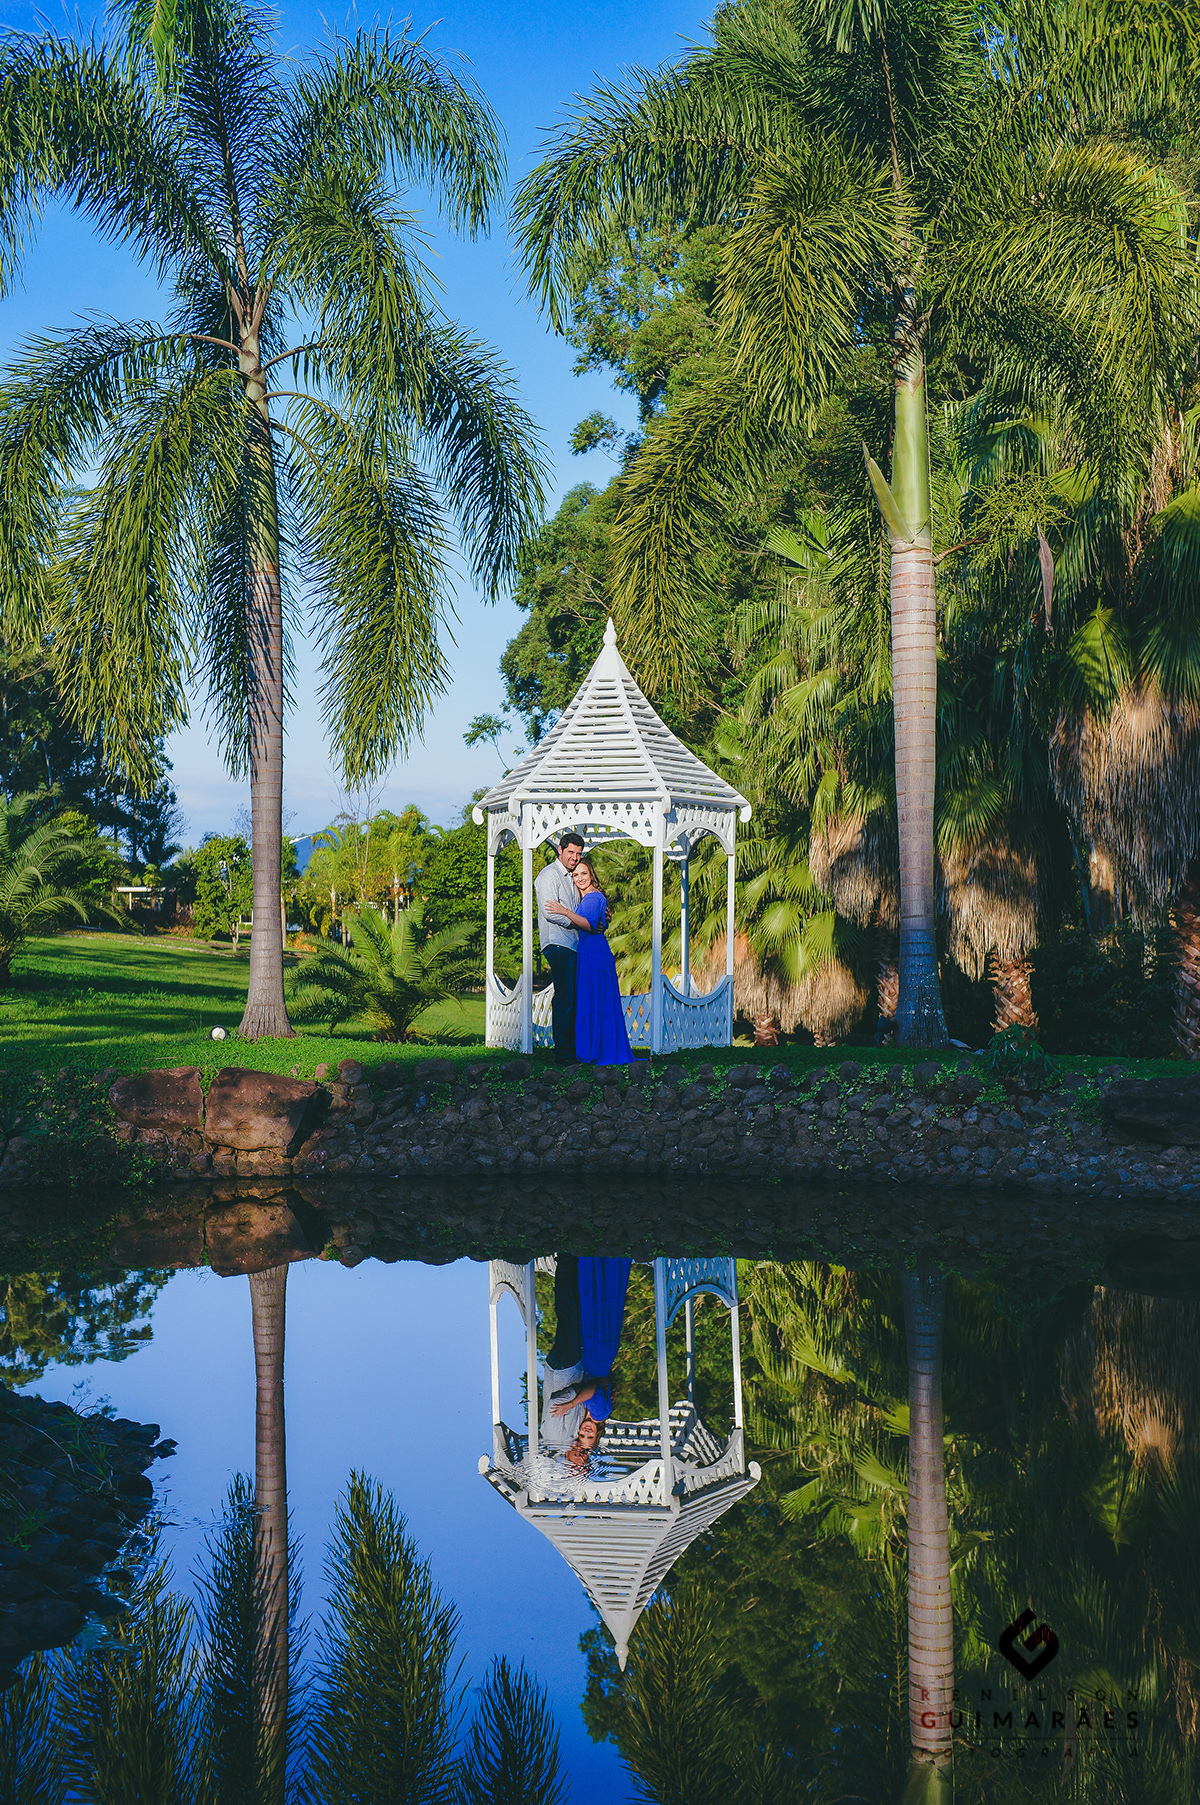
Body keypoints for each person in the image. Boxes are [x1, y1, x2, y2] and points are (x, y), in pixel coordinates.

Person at [544, 855, 634, 1067]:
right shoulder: (587, 899)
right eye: (575, 875)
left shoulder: (594, 897)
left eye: (584, 873)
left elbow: (589, 924)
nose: (579, 878)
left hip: (594, 952)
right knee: (592, 1001)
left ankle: (596, 1050)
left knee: (595, 1001)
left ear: (591, 874)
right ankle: (596, 1047)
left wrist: (563, 911)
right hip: (588, 951)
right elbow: (596, 922)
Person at [540, 1253, 632, 1460]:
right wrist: (571, 1403)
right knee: (579, 1310)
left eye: (581, 1435)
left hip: (567, 1367)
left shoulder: (558, 1436)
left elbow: (557, 1401)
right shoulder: (599, 1413)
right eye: (587, 1439)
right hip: (588, 1359)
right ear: (597, 1435)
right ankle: (581, 1260)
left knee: (573, 1312)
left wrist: (569, 1402)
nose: (584, 1434)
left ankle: (575, 1259)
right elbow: (591, 1390)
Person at [534, 832, 585, 1067]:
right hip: (558, 943)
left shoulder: (570, 877)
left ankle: (571, 1050)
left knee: (572, 999)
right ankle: (564, 1055)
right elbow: (550, 912)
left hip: (573, 944)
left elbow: (577, 910)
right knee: (565, 999)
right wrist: (575, 921)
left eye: (578, 853)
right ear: (560, 851)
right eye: (571, 852)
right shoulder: (549, 875)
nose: (575, 857)